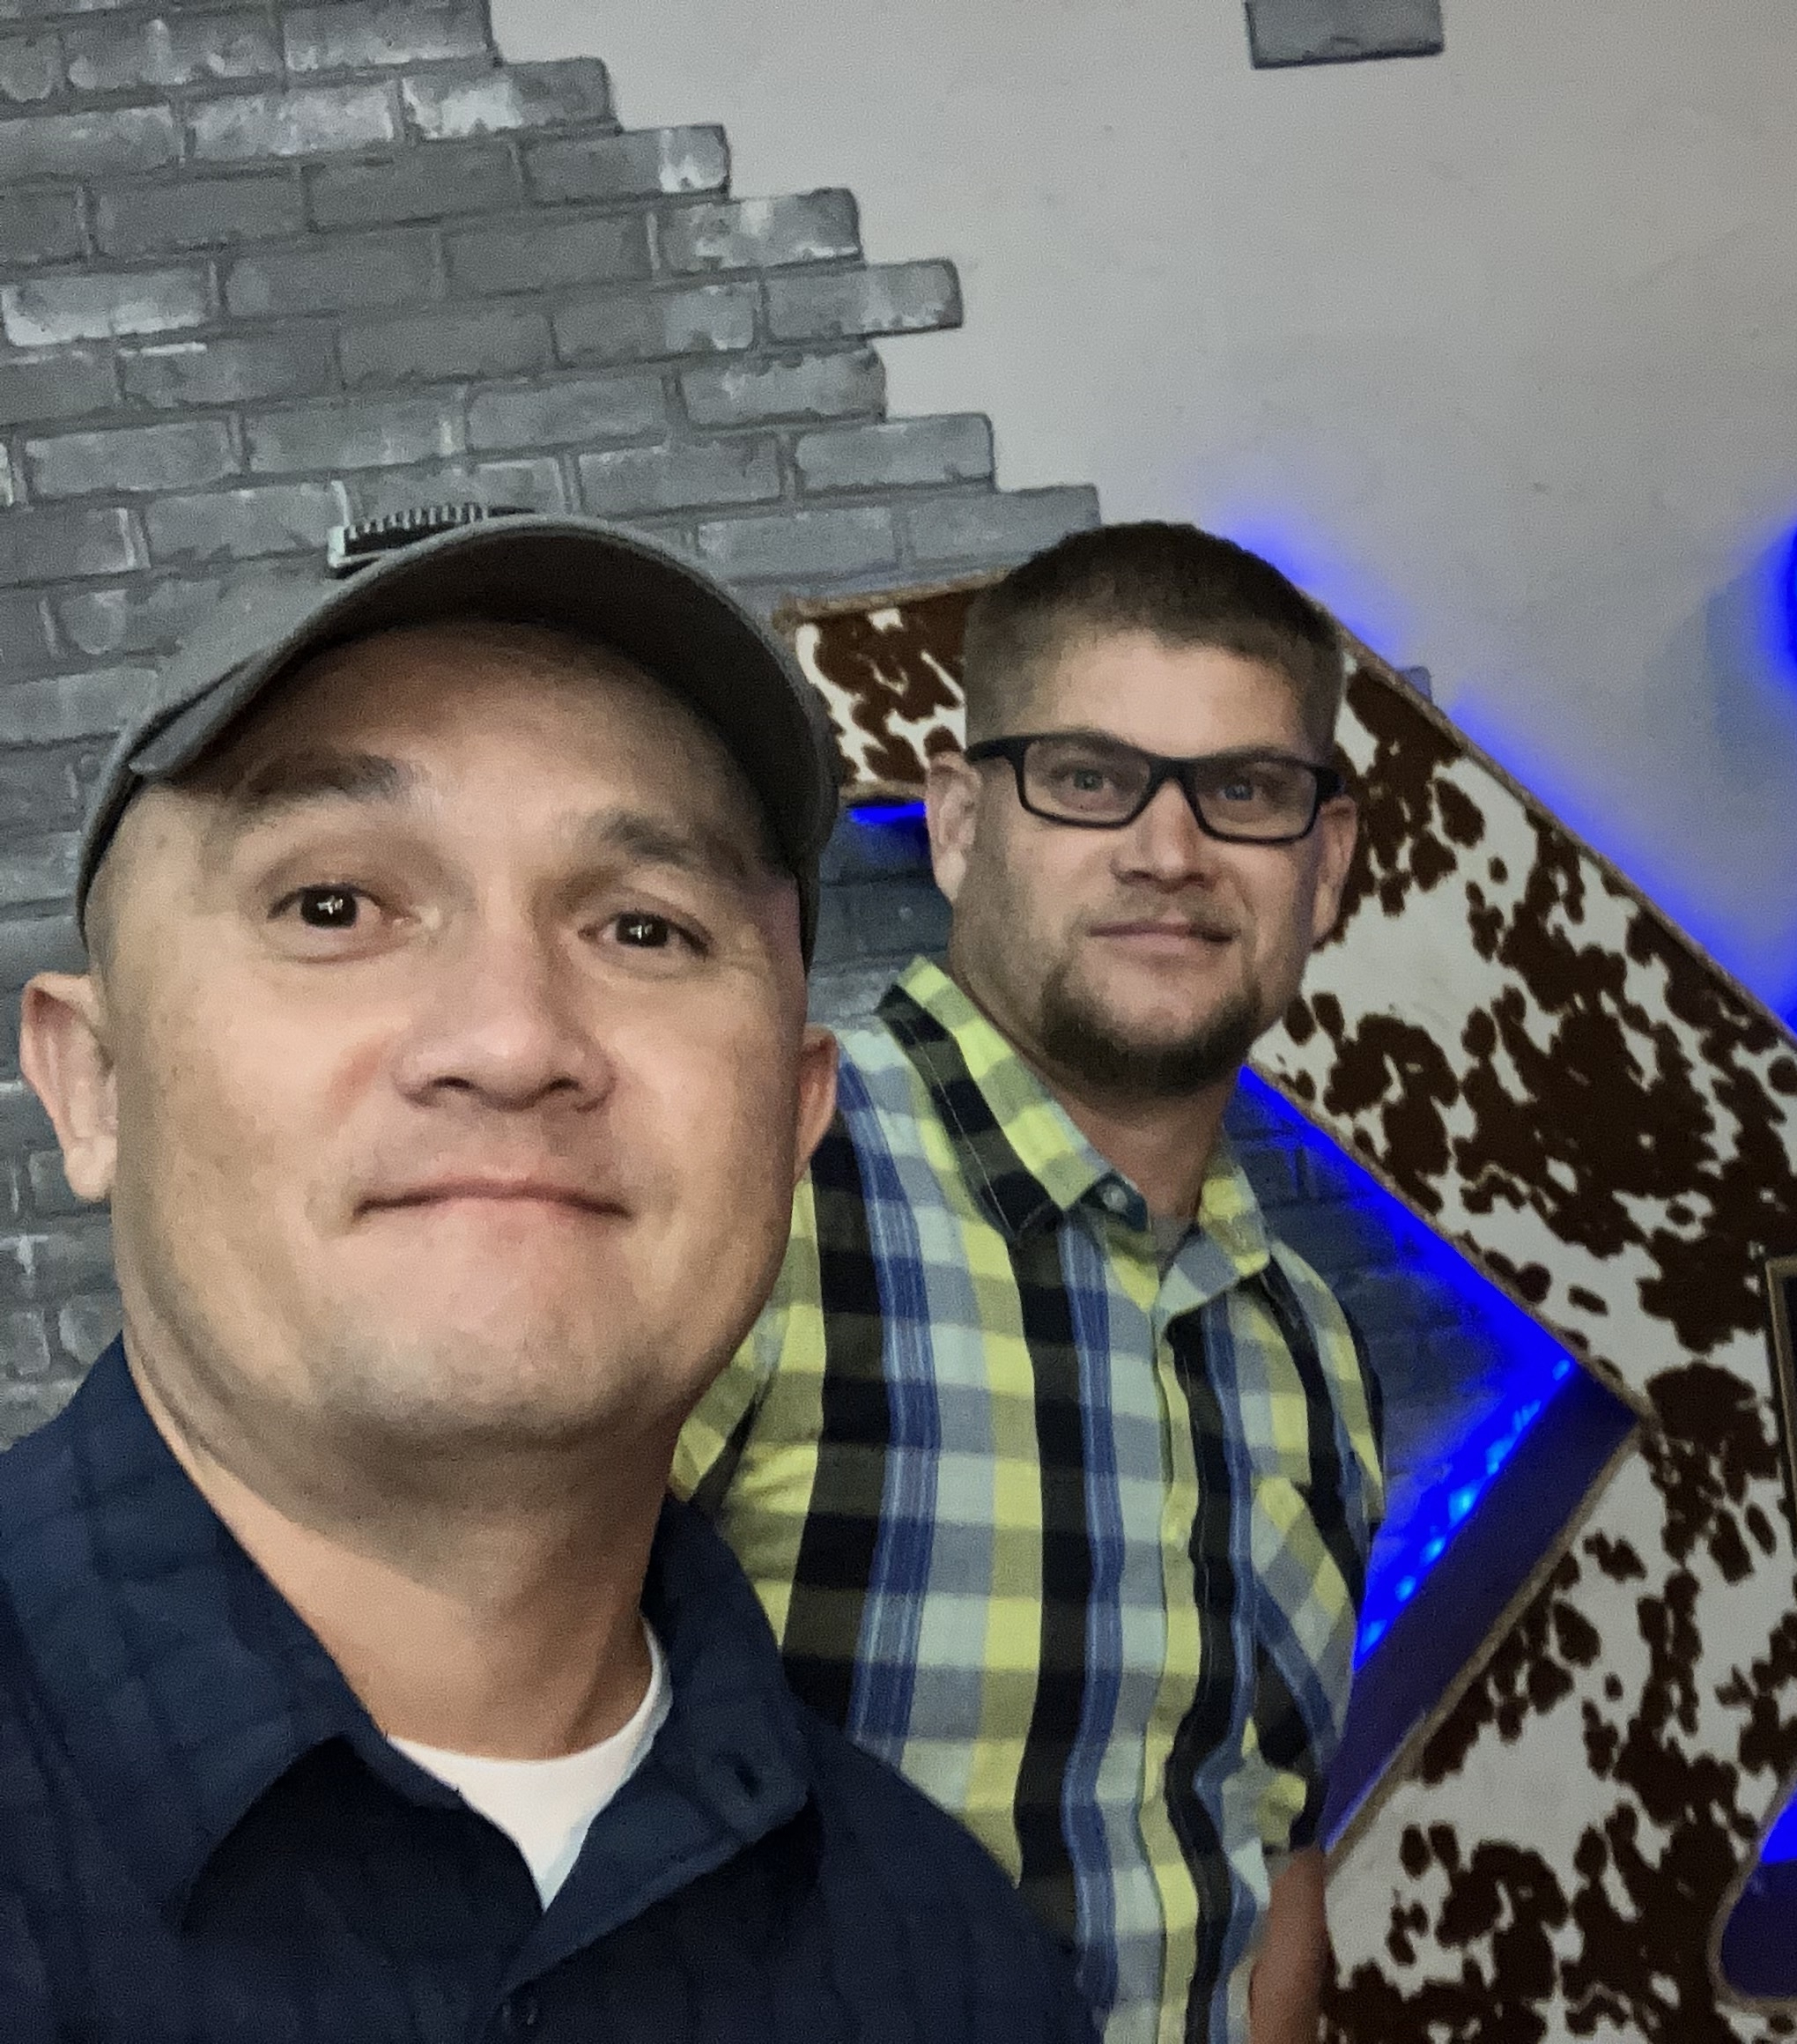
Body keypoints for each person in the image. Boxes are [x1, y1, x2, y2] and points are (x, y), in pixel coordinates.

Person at [1, 508, 1094, 2044]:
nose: (513, 1040)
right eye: (334, 907)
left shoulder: (955, 1969)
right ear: (94, 1083)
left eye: (644, 928)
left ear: (793, 1125)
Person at [679, 522, 1385, 2044]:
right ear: (955, 825)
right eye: (1087, 777)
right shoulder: (754, 1188)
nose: (1170, 850)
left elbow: (1272, 1865)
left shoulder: (1306, 1351)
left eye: (1245, 792)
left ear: (1324, 866)